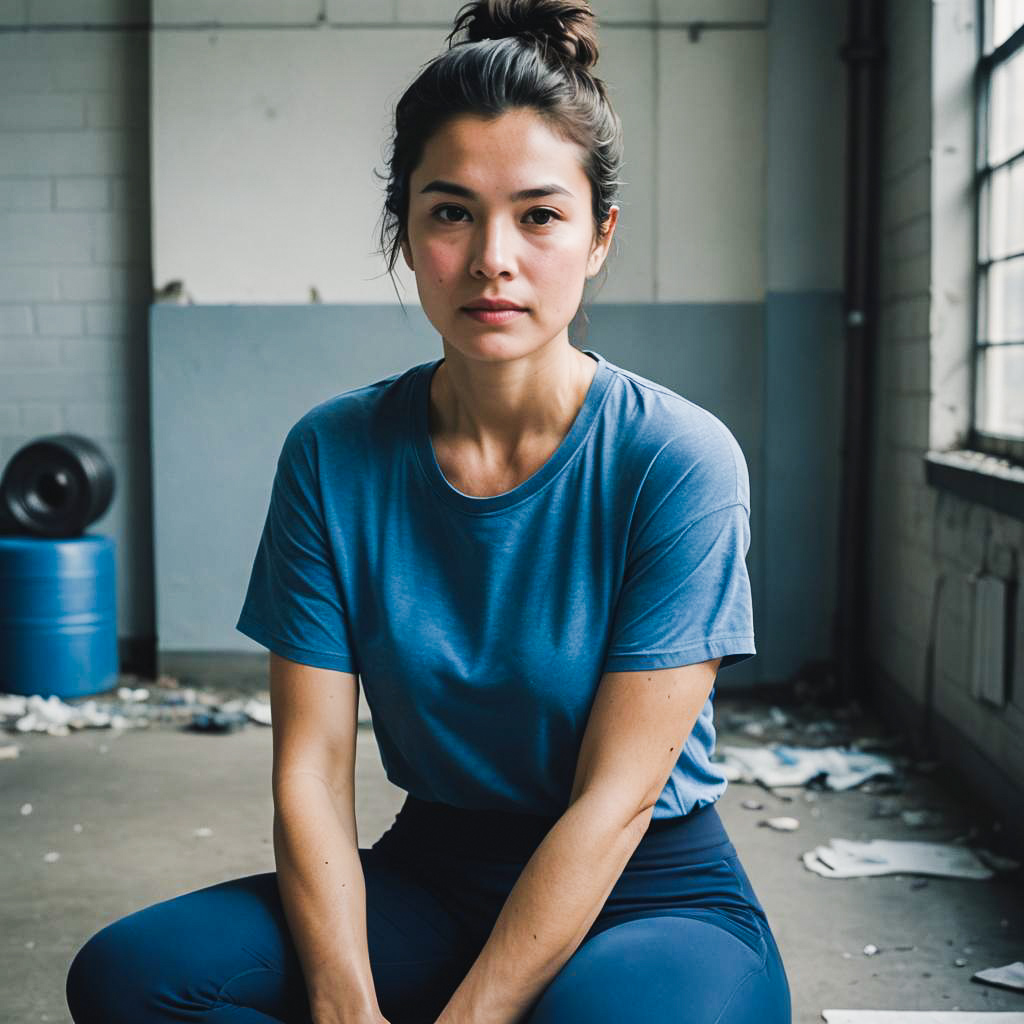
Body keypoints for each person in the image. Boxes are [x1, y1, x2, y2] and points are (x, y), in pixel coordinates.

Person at [65, 1, 792, 1022]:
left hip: (646, 888)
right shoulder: (334, 453)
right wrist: (343, 1000)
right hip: (436, 870)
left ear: (598, 237)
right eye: (451, 211)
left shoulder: (675, 459)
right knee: (130, 977)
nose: (494, 256)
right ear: (404, 229)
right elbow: (312, 770)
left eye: (540, 214)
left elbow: (615, 799)